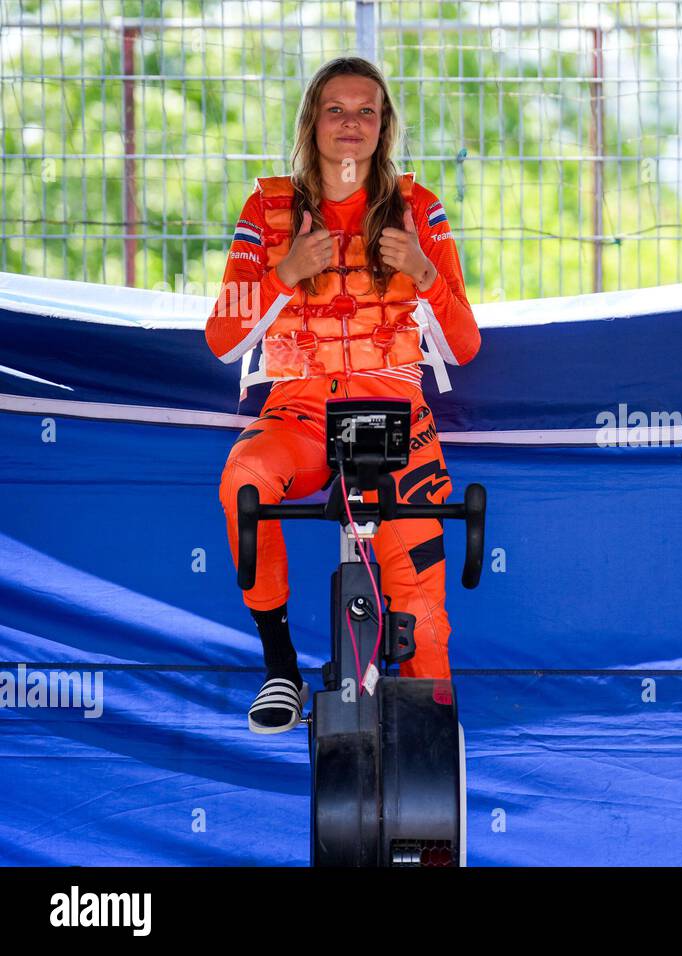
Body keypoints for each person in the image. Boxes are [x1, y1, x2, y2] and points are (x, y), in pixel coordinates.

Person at [205, 57, 481, 734]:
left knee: (422, 608)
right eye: (336, 109)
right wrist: (282, 274)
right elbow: (221, 338)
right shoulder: (266, 209)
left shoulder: (420, 209)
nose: (351, 124)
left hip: (396, 422)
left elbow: (466, 344)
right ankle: (280, 668)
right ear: (312, 123)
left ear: (384, 125)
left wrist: (421, 270)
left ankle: (428, 753)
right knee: (246, 475)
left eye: (366, 110)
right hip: (298, 415)